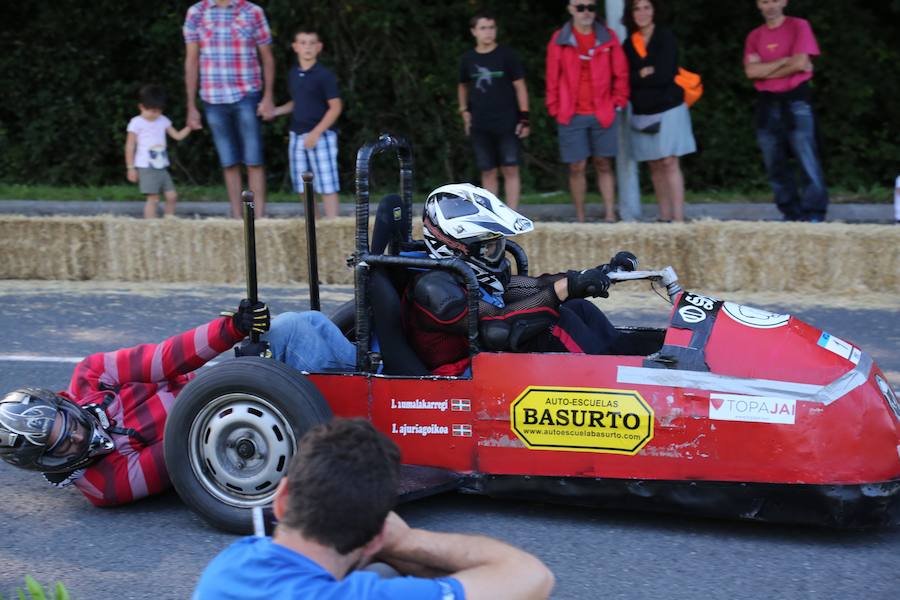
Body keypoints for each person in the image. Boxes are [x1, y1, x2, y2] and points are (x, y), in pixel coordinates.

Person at [0, 303, 355, 507]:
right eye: (63, 443)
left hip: (223, 388)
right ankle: (389, 393)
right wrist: (239, 377)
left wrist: (231, 328)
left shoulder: (91, 374)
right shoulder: (104, 486)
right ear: (47, 461)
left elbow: (163, 360)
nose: (76, 436)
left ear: (60, 403)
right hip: (234, 427)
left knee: (302, 323)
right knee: (297, 334)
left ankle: (386, 365)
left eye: (67, 423)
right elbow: (180, 448)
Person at [193, 418, 555, 600]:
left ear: (282, 497)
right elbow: (532, 576)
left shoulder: (226, 566)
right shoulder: (366, 595)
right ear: (374, 538)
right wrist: (406, 540)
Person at [402, 183, 638, 376]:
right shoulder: (433, 289)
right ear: (456, 248)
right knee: (553, 326)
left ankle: (633, 369)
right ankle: (609, 383)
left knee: (578, 306)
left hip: (485, 359)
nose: (496, 254)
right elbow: (497, 324)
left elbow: (535, 287)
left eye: (497, 245)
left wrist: (597, 274)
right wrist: (560, 291)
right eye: (488, 247)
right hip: (458, 377)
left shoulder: (462, 275)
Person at [183, 0, 276, 219]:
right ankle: (236, 217)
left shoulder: (252, 11)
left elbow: (268, 58)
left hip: (247, 93)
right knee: (228, 161)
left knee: (253, 160)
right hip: (212, 96)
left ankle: (258, 218)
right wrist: (191, 105)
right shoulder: (197, 13)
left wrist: (268, 96)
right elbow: (191, 61)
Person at [744, 0, 828, 222]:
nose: (770, 6)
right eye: (764, 1)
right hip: (767, 103)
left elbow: (800, 63)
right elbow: (751, 72)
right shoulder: (755, 36)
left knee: (807, 157)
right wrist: (784, 61)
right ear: (758, 6)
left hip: (796, 101)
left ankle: (814, 213)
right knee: (774, 163)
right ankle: (790, 213)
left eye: (773, 0)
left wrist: (766, 70)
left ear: (784, 2)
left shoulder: (799, 26)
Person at [546, 1, 630, 223]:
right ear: (570, 9)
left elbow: (620, 72)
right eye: (580, 7)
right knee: (576, 166)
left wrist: (618, 101)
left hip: (602, 111)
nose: (586, 12)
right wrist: (555, 107)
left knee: (603, 163)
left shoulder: (608, 36)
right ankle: (581, 219)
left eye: (591, 7)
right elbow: (552, 76)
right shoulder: (559, 38)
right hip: (570, 113)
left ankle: (610, 214)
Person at [622, 0, 696, 223]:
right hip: (642, 111)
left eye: (647, 7)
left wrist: (642, 76)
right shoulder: (628, 44)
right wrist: (644, 74)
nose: (642, 12)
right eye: (637, 8)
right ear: (631, 13)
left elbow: (666, 74)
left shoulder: (665, 37)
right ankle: (664, 217)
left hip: (669, 107)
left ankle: (679, 218)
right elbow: (628, 79)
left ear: (654, 11)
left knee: (669, 161)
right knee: (654, 162)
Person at [457, 12, 530, 210]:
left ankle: (512, 214)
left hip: (507, 121)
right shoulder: (468, 59)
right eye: (483, 28)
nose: (488, 32)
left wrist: (524, 117)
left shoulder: (507, 55)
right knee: (487, 170)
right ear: (473, 32)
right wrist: (464, 112)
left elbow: (520, 86)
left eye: (491, 27)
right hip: (480, 122)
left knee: (510, 167)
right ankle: (493, 215)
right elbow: (462, 86)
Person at [273, 27, 343, 218]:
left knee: (327, 184)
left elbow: (335, 107)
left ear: (319, 47)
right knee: (302, 185)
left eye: (312, 43)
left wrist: (316, 132)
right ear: (295, 47)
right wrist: (276, 111)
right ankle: (315, 226)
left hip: (322, 136)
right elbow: (298, 102)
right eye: (303, 43)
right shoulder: (293, 74)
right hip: (297, 135)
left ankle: (333, 224)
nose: (308, 47)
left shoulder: (324, 76)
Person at [125, 85, 193, 219]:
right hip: (146, 166)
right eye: (151, 110)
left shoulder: (163, 120)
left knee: (172, 196)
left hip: (161, 165)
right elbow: (130, 146)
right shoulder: (136, 123)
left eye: (158, 111)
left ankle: (168, 221)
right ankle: (151, 226)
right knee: (153, 198)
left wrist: (189, 127)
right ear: (141, 107)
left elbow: (177, 136)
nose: (155, 114)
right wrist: (131, 167)